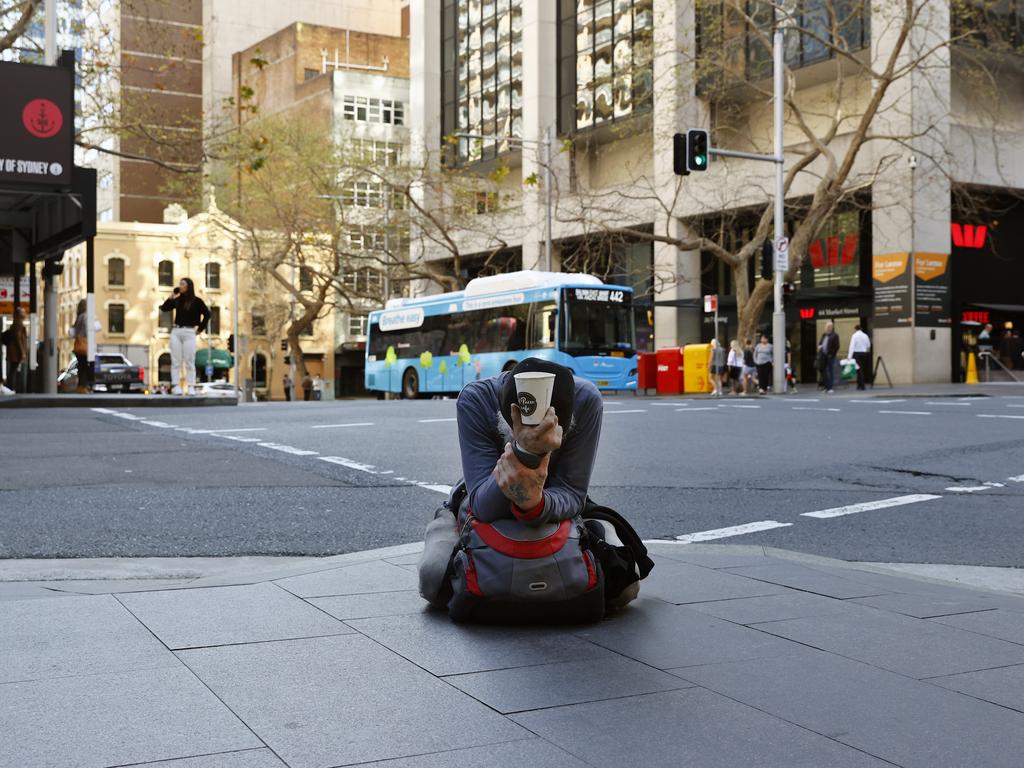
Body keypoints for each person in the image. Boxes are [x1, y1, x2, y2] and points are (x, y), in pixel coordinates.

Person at [159, 277, 210, 395]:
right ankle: (176, 386)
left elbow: (207, 314)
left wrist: (200, 329)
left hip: (190, 332)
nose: (180, 286)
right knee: (176, 361)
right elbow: (164, 308)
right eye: (180, 284)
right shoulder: (178, 299)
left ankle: (191, 386)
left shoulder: (197, 301)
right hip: (176, 331)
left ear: (188, 286)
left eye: (182, 284)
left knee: (190, 360)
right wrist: (172, 296)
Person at [2, 308, 28, 393]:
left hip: (14, 353)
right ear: (19, 315)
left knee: (12, 371)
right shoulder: (18, 325)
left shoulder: (16, 324)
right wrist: (23, 352)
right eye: (23, 313)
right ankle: (11, 388)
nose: (25, 314)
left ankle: (10, 387)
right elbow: (18, 339)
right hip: (16, 353)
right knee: (13, 371)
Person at [70, 299, 93, 393]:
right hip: (85, 344)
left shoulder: (78, 317)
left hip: (78, 345)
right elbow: (89, 329)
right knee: (86, 367)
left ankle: (80, 386)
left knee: (81, 366)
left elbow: (73, 331)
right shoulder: (86, 316)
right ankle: (84, 386)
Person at [848, 324, 872, 390]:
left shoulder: (854, 336)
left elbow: (852, 346)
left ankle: (862, 385)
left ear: (855, 329)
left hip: (856, 354)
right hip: (864, 353)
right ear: (861, 329)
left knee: (858, 370)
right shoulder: (865, 335)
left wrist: (849, 356)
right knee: (861, 369)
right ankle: (859, 385)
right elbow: (868, 345)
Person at [818, 321, 840, 393]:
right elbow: (820, 343)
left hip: (830, 356)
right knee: (824, 372)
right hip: (823, 356)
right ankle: (825, 387)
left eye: (828, 327)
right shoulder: (824, 335)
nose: (827, 328)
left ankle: (830, 387)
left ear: (831, 327)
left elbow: (837, 346)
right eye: (826, 327)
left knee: (830, 371)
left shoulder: (835, 335)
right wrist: (820, 346)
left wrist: (832, 354)